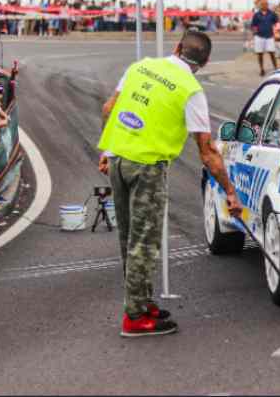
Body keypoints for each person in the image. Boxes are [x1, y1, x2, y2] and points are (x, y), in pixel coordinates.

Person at [97, 31, 242, 338]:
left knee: (128, 238)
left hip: (118, 158)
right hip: (147, 166)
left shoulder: (140, 67)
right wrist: (229, 190)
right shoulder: (191, 89)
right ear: (204, 63)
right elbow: (207, 151)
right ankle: (135, 317)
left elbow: (109, 108)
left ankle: (141, 300)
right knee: (144, 242)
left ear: (176, 48)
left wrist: (107, 150)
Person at [250, 0, 278, 76]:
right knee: (260, 54)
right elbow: (253, 25)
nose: (264, 5)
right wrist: (254, 30)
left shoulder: (272, 13)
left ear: (267, 5)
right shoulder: (256, 14)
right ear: (259, 5)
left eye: (265, 4)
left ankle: (275, 68)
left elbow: (277, 22)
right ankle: (262, 69)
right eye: (262, 4)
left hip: (269, 36)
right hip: (259, 36)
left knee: (272, 52)